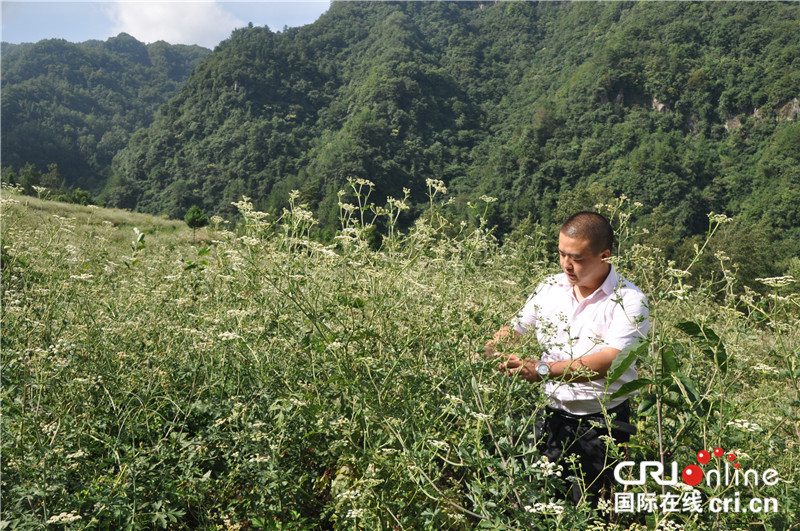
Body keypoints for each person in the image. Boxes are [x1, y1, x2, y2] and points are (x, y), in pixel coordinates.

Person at [484, 211, 649, 507]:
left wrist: (543, 370)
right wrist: (489, 350)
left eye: (577, 258)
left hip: (600, 426)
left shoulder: (629, 300)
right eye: (561, 254)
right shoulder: (551, 287)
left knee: (589, 509)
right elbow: (516, 327)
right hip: (549, 417)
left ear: (605, 255)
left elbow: (608, 362)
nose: (566, 265)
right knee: (532, 502)